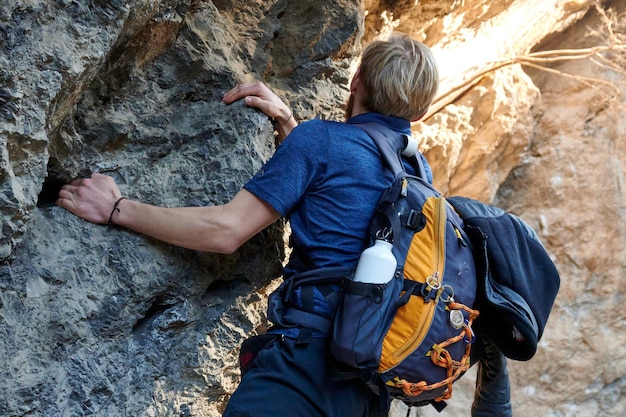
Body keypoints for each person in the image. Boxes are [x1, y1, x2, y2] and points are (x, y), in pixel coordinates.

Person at [56, 34, 474, 416]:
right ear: (420, 110)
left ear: (356, 80)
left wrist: (116, 207)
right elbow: (344, 208)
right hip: (366, 392)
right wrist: (290, 132)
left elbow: (225, 231)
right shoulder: (417, 177)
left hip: (303, 372)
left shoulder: (322, 142)